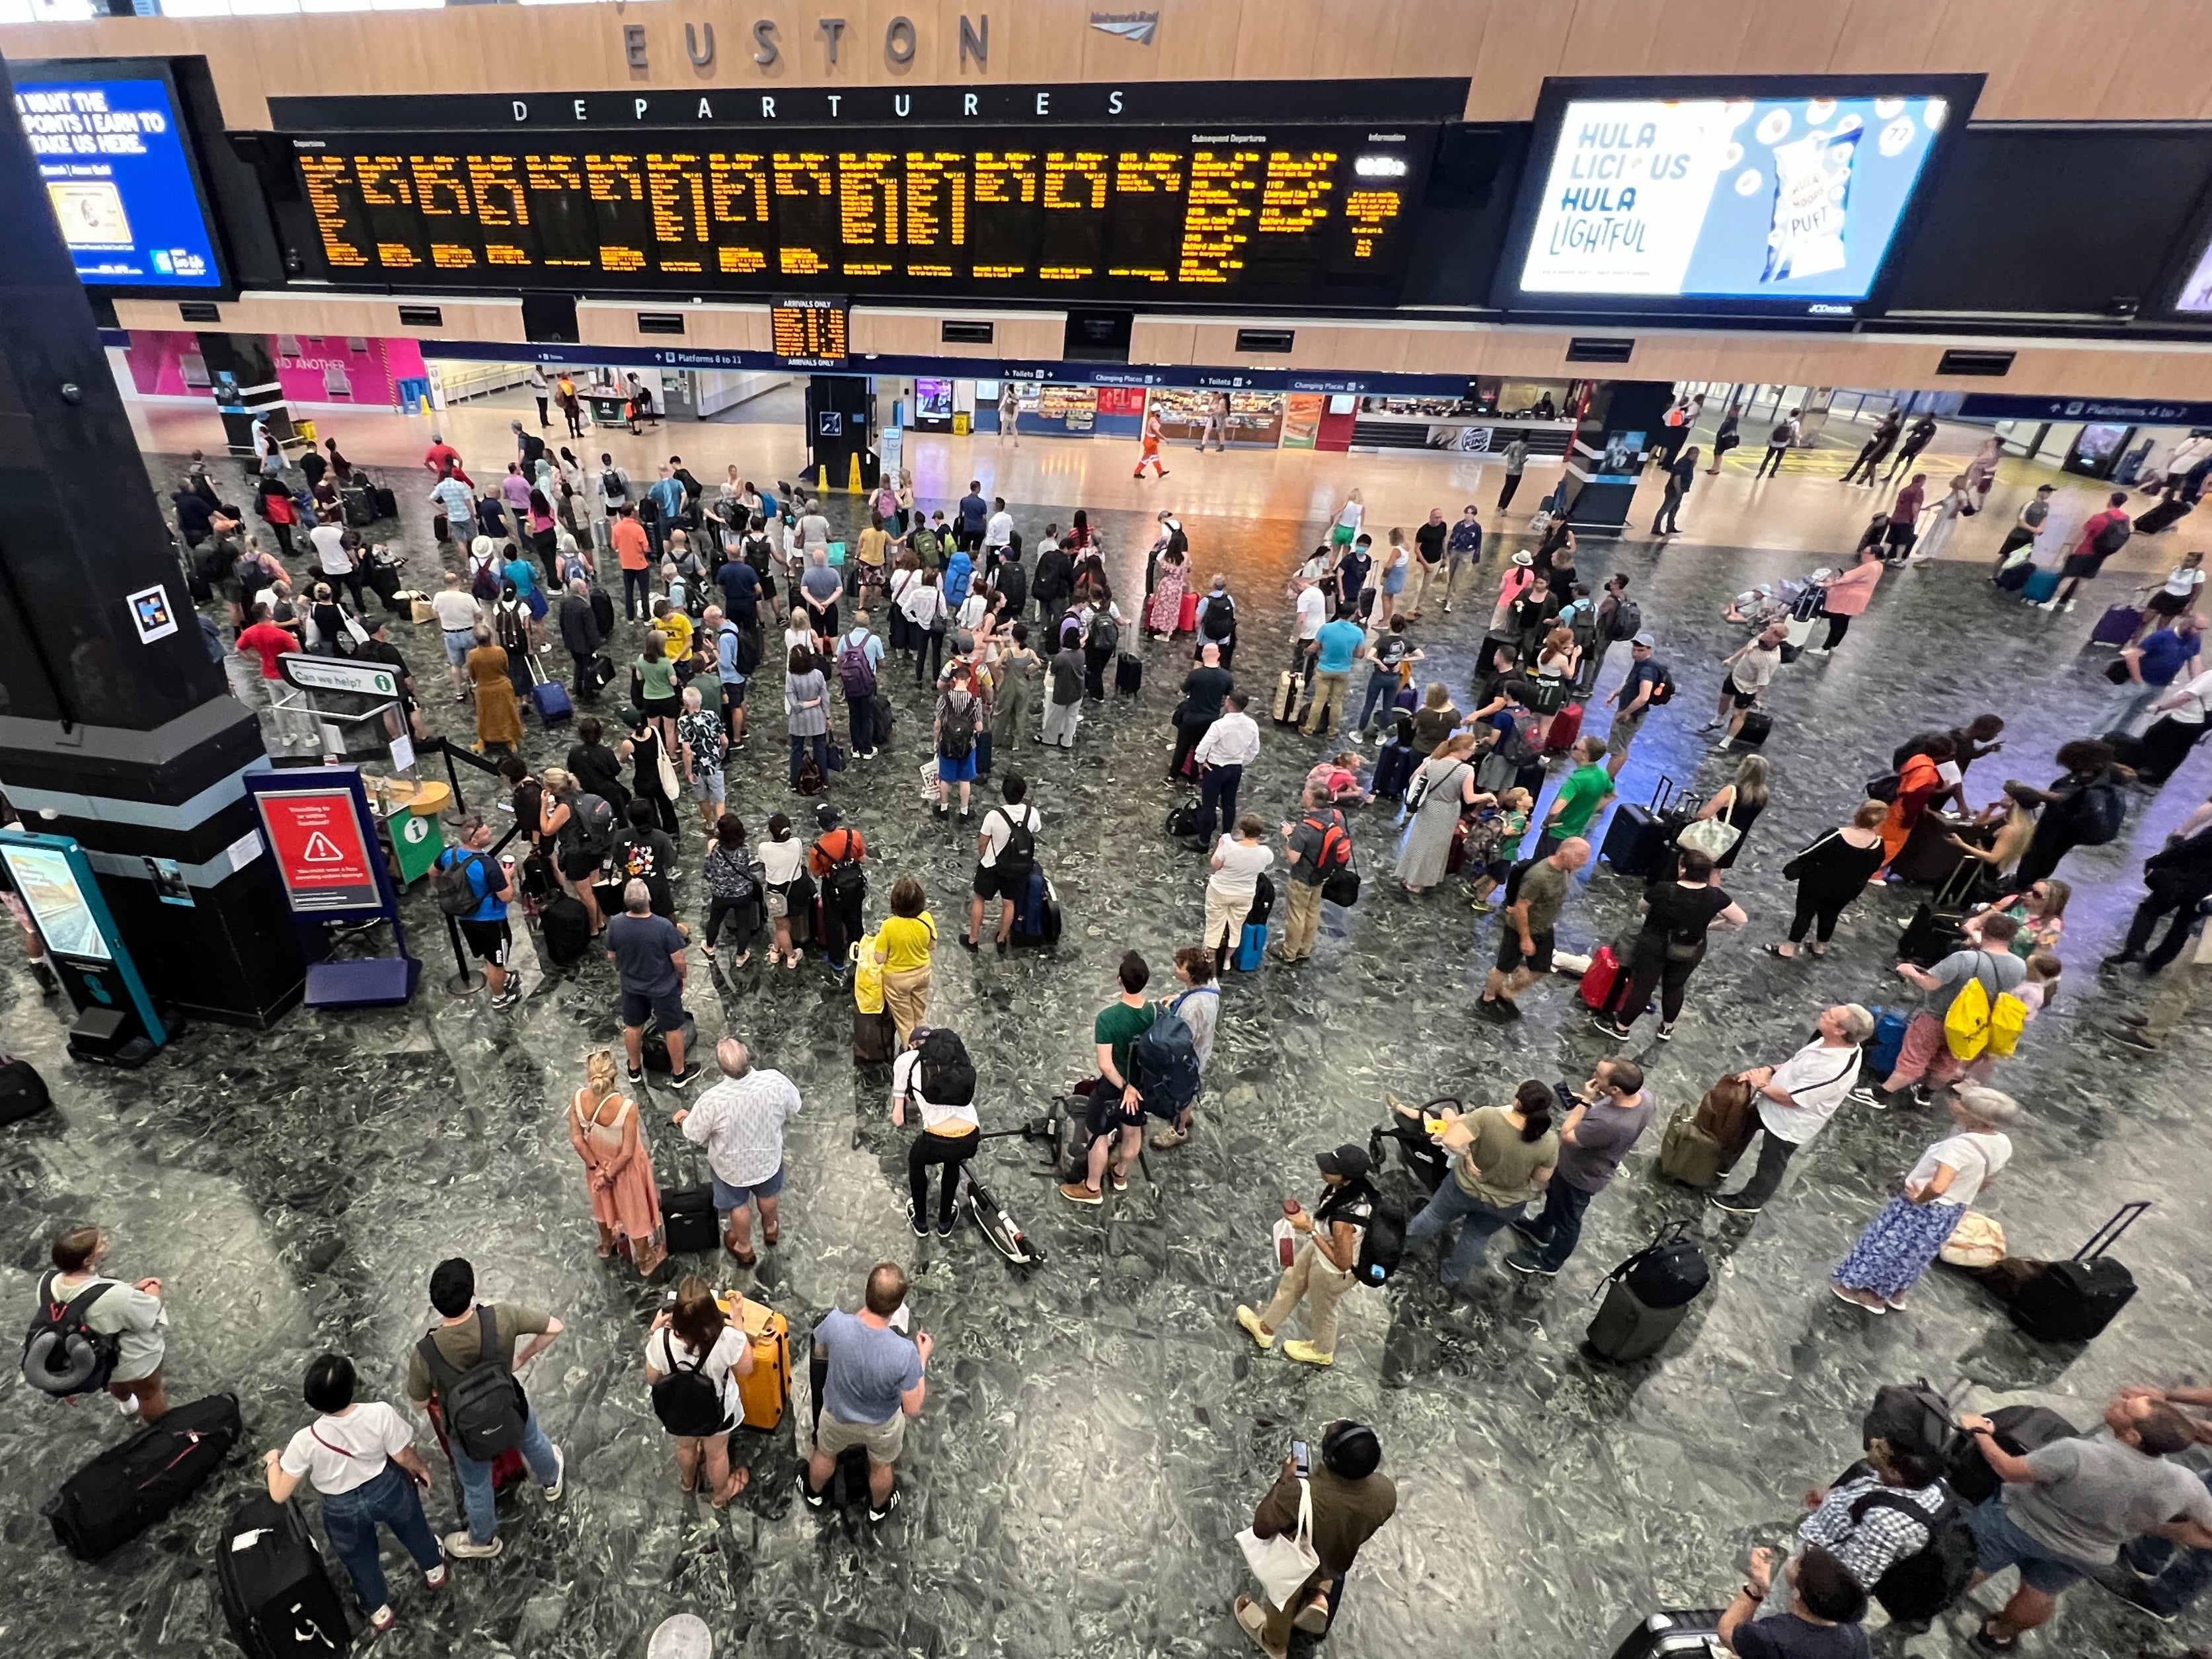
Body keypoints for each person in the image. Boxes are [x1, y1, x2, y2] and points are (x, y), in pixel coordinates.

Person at [1961, 1391, 2212, 1652]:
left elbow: (2009, 1470)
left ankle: (1931, 1602)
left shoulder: (2077, 1453)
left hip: (2017, 1523)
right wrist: (2165, 1530)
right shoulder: (2186, 1484)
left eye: (2128, 1408)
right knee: (2039, 1594)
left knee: (1970, 1563)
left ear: (2133, 1437)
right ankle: (1998, 1635)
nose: (2120, 1400)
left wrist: (1979, 1430)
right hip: (2087, 1553)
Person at [264, 1353, 445, 1635]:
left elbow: (278, 1493)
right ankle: (435, 1570)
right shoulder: (379, 1413)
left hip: (341, 1507)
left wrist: (273, 1461)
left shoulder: (304, 1441)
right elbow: (402, 1455)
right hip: (387, 1487)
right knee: (415, 1529)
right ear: (353, 1386)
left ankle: (378, 1610)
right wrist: (421, 1468)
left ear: (311, 1399)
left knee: (360, 1559)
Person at [404, 1258, 564, 1559]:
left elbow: (420, 1402)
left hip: (466, 1432)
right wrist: (521, 1359)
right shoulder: (502, 1317)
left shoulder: (424, 1353)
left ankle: (484, 1540)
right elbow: (555, 1327)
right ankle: (552, 1481)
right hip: (509, 1407)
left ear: (437, 1306)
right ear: (473, 1291)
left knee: (476, 1485)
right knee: (533, 1441)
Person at [1831, 1087, 2019, 1313]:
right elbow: (1988, 1180)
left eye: (1961, 1101)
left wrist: (1920, 1199)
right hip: (1952, 1210)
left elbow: (1939, 1185)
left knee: (1889, 1246)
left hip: (1924, 1208)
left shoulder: (1959, 1147)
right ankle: (1895, 1293)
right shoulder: (2002, 1143)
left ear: (1974, 1116)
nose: (1955, 1101)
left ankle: (1867, 1293)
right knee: (1916, 1253)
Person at [1231, 1420, 1397, 1658]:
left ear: (1330, 1459)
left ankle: (1274, 1642)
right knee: (1328, 1570)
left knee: (1285, 1593)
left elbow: (1262, 1527)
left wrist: (1284, 1481)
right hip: (1338, 1558)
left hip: (1299, 1560)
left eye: (1329, 1435)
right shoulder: (1386, 1491)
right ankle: (1319, 1597)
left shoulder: (1302, 1493)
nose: (1329, 1429)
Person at [1709, 1007, 1874, 1216]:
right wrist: (1769, 1070)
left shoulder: (1833, 1067)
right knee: (1741, 1130)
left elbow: (1792, 1100)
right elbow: (1795, 1063)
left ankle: (1751, 1200)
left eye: (1831, 1016)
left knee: (1771, 1162)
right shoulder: (1828, 1040)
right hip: (1771, 1101)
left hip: (1789, 1121)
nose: (1825, 1012)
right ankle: (1721, 1166)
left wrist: (1760, 1085)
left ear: (1841, 1031)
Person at [1850, 914, 2028, 1108]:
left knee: (1914, 1057)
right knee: (1948, 1063)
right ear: (2011, 937)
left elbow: (1930, 984)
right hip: (1972, 1026)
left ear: (1983, 930)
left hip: (1938, 1016)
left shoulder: (1965, 958)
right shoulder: (2019, 966)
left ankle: (1880, 1094)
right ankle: (1925, 1094)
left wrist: (1910, 971)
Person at [800, 1262, 931, 1524]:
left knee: (825, 1453)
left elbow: (820, 1351)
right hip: (882, 1425)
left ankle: (814, 1494)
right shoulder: (904, 1353)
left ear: (866, 1293)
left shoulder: (836, 1323)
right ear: (897, 1307)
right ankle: (877, 1509)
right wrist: (922, 1359)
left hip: (837, 1415)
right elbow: (913, 1407)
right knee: (881, 1466)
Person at [1504, 1058, 1652, 1278]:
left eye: (1599, 1076)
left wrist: (1584, 1104)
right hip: (1577, 1165)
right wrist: (1596, 1102)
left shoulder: (1609, 1123)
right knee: (1557, 1201)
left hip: (1578, 1176)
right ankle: (1541, 1229)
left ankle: (1549, 1263)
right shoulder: (1645, 1098)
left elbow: (1568, 1135)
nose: (1593, 1077)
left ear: (1615, 1089)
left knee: (1568, 1221)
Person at [1233, 1143, 1377, 1370]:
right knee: (1292, 1279)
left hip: (1332, 1271)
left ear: (1346, 1178)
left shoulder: (1343, 1221)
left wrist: (1309, 1229)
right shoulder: (1355, 1189)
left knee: (1323, 1310)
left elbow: (1343, 1262)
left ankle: (1322, 1351)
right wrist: (1313, 1228)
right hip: (1320, 1247)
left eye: (1331, 1168)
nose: (1323, 1169)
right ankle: (1265, 1329)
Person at [1402, 1083, 1559, 1288]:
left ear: (1518, 1100)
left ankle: (1404, 1247)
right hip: (1506, 1204)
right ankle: (1451, 1276)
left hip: (1464, 1188)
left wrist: (1468, 1155)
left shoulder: (1487, 1116)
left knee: (1434, 1216)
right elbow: (1541, 1178)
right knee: (1475, 1238)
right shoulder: (1549, 1141)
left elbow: (1450, 1141)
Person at [674, 1038, 802, 1266]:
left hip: (730, 1168)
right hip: (768, 1159)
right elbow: (795, 1105)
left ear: (722, 1068)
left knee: (738, 1205)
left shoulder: (712, 1100)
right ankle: (771, 1229)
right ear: (749, 1056)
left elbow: (693, 1133)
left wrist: (682, 1118)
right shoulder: (774, 1081)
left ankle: (744, 1246)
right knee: (768, 1195)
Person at [1595, 848, 1747, 1040]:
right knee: (1675, 986)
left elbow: (1642, 907)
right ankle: (1667, 1027)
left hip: (1654, 945)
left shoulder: (1663, 889)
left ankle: (1621, 1028)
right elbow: (1740, 920)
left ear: (1683, 869)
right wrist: (1710, 926)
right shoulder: (1717, 896)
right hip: (1690, 948)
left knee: (1643, 987)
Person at [1055, 952, 1157, 1206]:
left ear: (1119, 980)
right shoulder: (1155, 1012)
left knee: (1097, 1134)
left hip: (1114, 1089)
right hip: (1143, 1087)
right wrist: (1135, 1088)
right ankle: (1120, 1175)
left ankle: (1092, 1188)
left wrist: (1125, 1088)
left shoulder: (1108, 1018)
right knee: (1133, 1132)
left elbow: (1105, 1064)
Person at [40, 1225, 170, 1420]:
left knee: (116, 1379)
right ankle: (164, 1434)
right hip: (133, 1360)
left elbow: (88, 1299)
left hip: (102, 1358)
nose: (107, 1242)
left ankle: (127, 1406)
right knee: (150, 1394)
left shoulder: (47, 1283)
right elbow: (148, 1314)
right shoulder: (115, 1298)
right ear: (88, 1260)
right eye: (101, 1244)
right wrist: (153, 1289)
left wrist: (130, 1290)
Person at [642, 1276, 753, 1506]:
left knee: (685, 1446)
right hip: (717, 1412)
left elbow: (652, 1377)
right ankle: (720, 1495)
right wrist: (737, 1320)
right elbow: (746, 1369)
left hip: (679, 1409)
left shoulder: (662, 1339)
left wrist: (654, 1331)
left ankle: (687, 1481)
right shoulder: (726, 1339)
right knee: (717, 1454)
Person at [1477, 838, 1589, 1021]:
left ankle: (1508, 992)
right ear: (1564, 853)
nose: (1584, 862)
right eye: (1580, 857)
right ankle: (1487, 998)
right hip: (1521, 929)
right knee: (1503, 968)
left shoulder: (1564, 870)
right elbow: (1521, 908)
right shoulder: (1539, 876)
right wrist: (1525, 938)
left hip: (1544, 927)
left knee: (1541, 968)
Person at [568, 1048, 662, 1265]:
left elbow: (576, 1139)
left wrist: (596, 1168)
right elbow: (627, 1152)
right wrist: (609, 1175)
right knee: (634, 1212)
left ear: (589, 1075)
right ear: (615, 1074)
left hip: (596, 1166)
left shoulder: (579, 1098)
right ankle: (646, 1259)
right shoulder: (627, 1108)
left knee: (602, 1206)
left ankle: (606, 1245)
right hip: (624, 1171)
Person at [606, 878, 698, 1087]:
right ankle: (679, 1074)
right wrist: (682, 976)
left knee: (633, 1026)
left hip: (631, 985)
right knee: (673, 1028)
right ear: (649, 900)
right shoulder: (663, 926)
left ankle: (634, 1069)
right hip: (662, 987)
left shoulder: (617, 924)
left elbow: (612, 956)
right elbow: (678, 959)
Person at [1772, 800, 1890, 959]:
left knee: (1805, 914)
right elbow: (1873, 868)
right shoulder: (1878, 845)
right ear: (1879, 823)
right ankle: (1819, 947)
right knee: (1830, 915)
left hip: (1816, 883)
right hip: (1846, 890)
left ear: (1858, 815)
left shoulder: (1837, 835)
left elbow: (1809, 853)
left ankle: (1788, 948)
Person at [2106, 801, 2212, 975]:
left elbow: (2188, 848)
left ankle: (2134, 949)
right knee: (2182, 928)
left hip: (2182, 880)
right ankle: (2155, 965)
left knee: (2149, 910)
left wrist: (2156, 860)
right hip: (2205, 893)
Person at [893, 1026, 980, 1236]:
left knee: (916, 1161)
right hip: (970, 1133)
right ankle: (944, 1222)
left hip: (936, 1139)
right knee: (953, 1163)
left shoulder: (906, 1061)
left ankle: (921, 1221)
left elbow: (898, 1120)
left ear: (912, 1046)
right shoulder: (955, 1059)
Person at [2006, 739, 2125, 888]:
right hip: (2068, 827)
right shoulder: (2104, 772)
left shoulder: (2090, 785)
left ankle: (2023, 887)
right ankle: (2027, 883)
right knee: (2046, 856)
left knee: (2039, 857)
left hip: (2063, 826)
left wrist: (2034, 793)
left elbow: (2065, 797)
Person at [1718, 1546, 1868, 1659]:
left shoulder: (1770, 1637)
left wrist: (1755, 1587)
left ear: (1798, 1593)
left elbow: (1727, 1631)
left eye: (1798, 1563)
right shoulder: (1857, 1638)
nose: (1791, 1560)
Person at [435, 816, 519, 1009]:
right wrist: (508, 876)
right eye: (486, 833)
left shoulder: (450, 853)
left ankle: (503, 977)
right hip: (491, 921)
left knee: (488, 955)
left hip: (466, 917)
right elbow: (507, 896)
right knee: (497, 961)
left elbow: (433, 872)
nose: (491, 833)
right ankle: (500, 997)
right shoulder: (488, 865)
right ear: (474, 840)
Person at [1396, 733, 1487, 895]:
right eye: (1471, 750)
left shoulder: (1434, 760)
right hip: (1447, 810)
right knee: (1434, 848)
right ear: (1461, 749)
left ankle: (1408, 875)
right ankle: (1417, 882)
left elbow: (1413, 780)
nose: (1473, 753)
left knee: (1419, 841)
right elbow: (1470, 798)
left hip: (1428, 806)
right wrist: (1488, 796)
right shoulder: (1466, 770)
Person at [960, 774, 1040, 952]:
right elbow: (1034, 832)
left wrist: (984, 857)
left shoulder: (994, 816)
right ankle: (1002, 939)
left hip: (992, 866)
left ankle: (973, 940)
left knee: (980, 899)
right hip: (1018, 866)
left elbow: (983, 841)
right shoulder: (1032, 813)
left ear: (1004, 793)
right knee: (1009, 902)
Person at [1273, 781, 1345, 965]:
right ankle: (1305, 949)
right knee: (1312, 911)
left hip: (1302, 877)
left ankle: (1289, 951)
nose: (1303, 793)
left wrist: (1290, 836)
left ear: (1311, 800)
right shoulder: (1337, 816)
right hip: (1322, 874)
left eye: (1305, 791)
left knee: (1296, 914)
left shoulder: (1306, 828)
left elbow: (1293, 858)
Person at [2108, 611, 2203, 735]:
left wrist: (2199, 684)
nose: (2199, 632)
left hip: (2159, 686)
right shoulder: (2161, 637)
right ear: (2187, 625)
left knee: (2135, 713)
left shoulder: (2195, 641)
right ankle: (2094, 736)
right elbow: (2133, 657)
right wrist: (2138, 681)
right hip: (2139, 681)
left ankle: (2117, 737)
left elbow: (2195, 662)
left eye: (2202, 629)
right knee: (2114, 710)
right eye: (2198, 628)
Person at [2043, 489, 2132, 613]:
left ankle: (2052, 603)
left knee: (2069, 578)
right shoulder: (2125, 519)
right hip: (2100, 555)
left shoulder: (2099, 518)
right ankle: (2070, 605)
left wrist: (2070, 551)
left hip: (2083, 552)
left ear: (2110, 501)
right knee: (2084, 581)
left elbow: (2081, 536)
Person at [878, 877, 937, 1044]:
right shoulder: (926, 918)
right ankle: (923, 1043)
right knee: (919, 1015)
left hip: (897, 981)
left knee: (905, 1022)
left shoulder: (888, 926)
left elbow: (879, 958)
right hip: (923, 974)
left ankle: (911, 1052)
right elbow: (932, 946)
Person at [1708, 623, 1786, 748]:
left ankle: (1726, 742)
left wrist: (1758, 698)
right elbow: (1748, 647)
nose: (1766, 632)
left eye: (1770, 632)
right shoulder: (1762, 638)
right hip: (1736, 676)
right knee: (1724, 697)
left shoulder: (1770, 659)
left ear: (1777, 639)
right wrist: (1732, 658)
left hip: (1747, 688)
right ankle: (1719, 720)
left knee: (1739, 714)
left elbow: (1763, 681)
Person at [1539, 736, 1616, 859]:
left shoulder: (1575, 781)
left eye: (1576, 748)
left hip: (1557, 833)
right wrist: (1591, 808)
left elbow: (1555, 810)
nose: (1572, 748)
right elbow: (1613, 795)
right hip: (1576, 833)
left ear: (1585, 756)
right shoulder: (1602, 774)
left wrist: (1547, 822)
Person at [1603, 633, 1666, 779]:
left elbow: (1644, 697)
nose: (1636, 653)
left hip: (1631, 716)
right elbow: (1632, 684)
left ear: (1649, 650)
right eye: (1634, 650)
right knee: (1623, 747)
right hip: (1633, 714)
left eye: (1641, 650)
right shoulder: (1643, 664)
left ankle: (1605, 782)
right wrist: (1618, 692)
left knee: (1617, 751)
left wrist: (1626, 713)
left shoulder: (1647, 670)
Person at [1301, 604, 1366, 739]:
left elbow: (1314, 647)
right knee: (1337, 701)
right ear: (1353, 614)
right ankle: (1333, 731)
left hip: (1324, 669)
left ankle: (1309, 729)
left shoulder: (1326, 628)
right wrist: (1348, 652)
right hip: (1343, 671)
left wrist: (1306, 651)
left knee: (1319, 700)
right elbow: (1360, 654)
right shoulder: (1358, 632)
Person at [1965, 878, 2069, 956]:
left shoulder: (2053, 927)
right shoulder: (2014, 900)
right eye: (2030, 890)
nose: (2028, 894)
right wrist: (1972, 931)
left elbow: (2037, 958)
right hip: (1977, 950)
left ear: (2051, 903)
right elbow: (1977, 921)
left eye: (2036, 895)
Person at [464, 625, 523, 757]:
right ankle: (511, 739)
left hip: (484, 689)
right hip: (502, 687)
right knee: (507, 713)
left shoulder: (473, 655)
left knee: (485, 716)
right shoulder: (500, 651)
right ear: (490, 636)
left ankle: (483, 740)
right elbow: (506, 667)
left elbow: (472, 674)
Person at [1812, 547, 1882, 655]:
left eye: (1866, 553)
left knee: (1836, 624)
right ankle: (1834, 645)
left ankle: (1825, 648)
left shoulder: (1868, 568)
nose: (1863, 555)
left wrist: (1826, 584)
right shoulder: (1878, 565)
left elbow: (1846, 579)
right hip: (1857, 599)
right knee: (1843, 623)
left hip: (1847, 599)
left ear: (1873, 555)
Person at [934, 664, 983, 819]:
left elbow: (938, 723)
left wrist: (936, 740)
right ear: (969, 680)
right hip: (967, 745)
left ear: (954, 679)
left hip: (947, 742)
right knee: (965, 779)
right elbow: (979, 726)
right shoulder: (975, 701)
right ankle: (964, 812)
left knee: (945, 778)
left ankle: (943, 809)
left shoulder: (944, 698)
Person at [1840, 408, 1903, 486]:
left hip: (1877, 448)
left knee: (1871, 464)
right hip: (1871, 444)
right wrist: (1875, 417)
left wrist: (1872, 454)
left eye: (1888, 417)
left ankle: (1869, 482)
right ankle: (1851, 477)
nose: (1886, 419)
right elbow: (1882, 421)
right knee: (1861, 461)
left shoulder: (1892, 429)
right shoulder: (1888, 425)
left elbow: (1883, 443)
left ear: (1891, 419)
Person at [1653, 445, 1699, 535]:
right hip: (1674, 490)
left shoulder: (1689, 462)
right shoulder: (1683, 463)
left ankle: (1670, 526)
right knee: (1666, 508)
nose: (1697, 457)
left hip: (1680, 489)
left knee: (1675, 508)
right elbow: (1677, 477)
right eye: (1697, 454)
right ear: (1693, 454)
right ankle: (1656, 528)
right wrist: (1678, 490)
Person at [1884, 412, 1938, 482]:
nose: (1926, 417)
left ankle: (1901, 477)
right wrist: (1917, 423)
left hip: (1916, 447)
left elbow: (1928, 440)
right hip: (1909, 445)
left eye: (1928, 416)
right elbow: (1908, 429)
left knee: (1909, 462)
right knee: (1898, 459)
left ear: (1931, 418)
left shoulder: (1932, 428)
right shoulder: (1920, 424)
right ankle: (1890, 475)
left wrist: (1920, 450)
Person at [1755, 408, 1801, 479]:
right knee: (1778, 460)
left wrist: (1769, 440)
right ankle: (1772, 474)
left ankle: (1761, 471)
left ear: (1790, 413)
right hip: (1783, 444)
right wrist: (1797, 442)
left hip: (1774, 443)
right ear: (1798, 415)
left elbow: (1774, 431)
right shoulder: (1796, 423)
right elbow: (1795, 434)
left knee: (1767, 458)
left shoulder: (1783, 421)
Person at [1134, 405, 1169, 479]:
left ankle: (1160, 472)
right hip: (1150, 442)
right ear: (1156, 412)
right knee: (1146, 458)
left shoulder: (1152, 419)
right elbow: (1156, 432)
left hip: (1151, 441)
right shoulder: (1154, 422)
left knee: (1155, 457)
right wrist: (1165, 439)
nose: (1160, 413)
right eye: (1159, 411)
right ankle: (1137, 472)